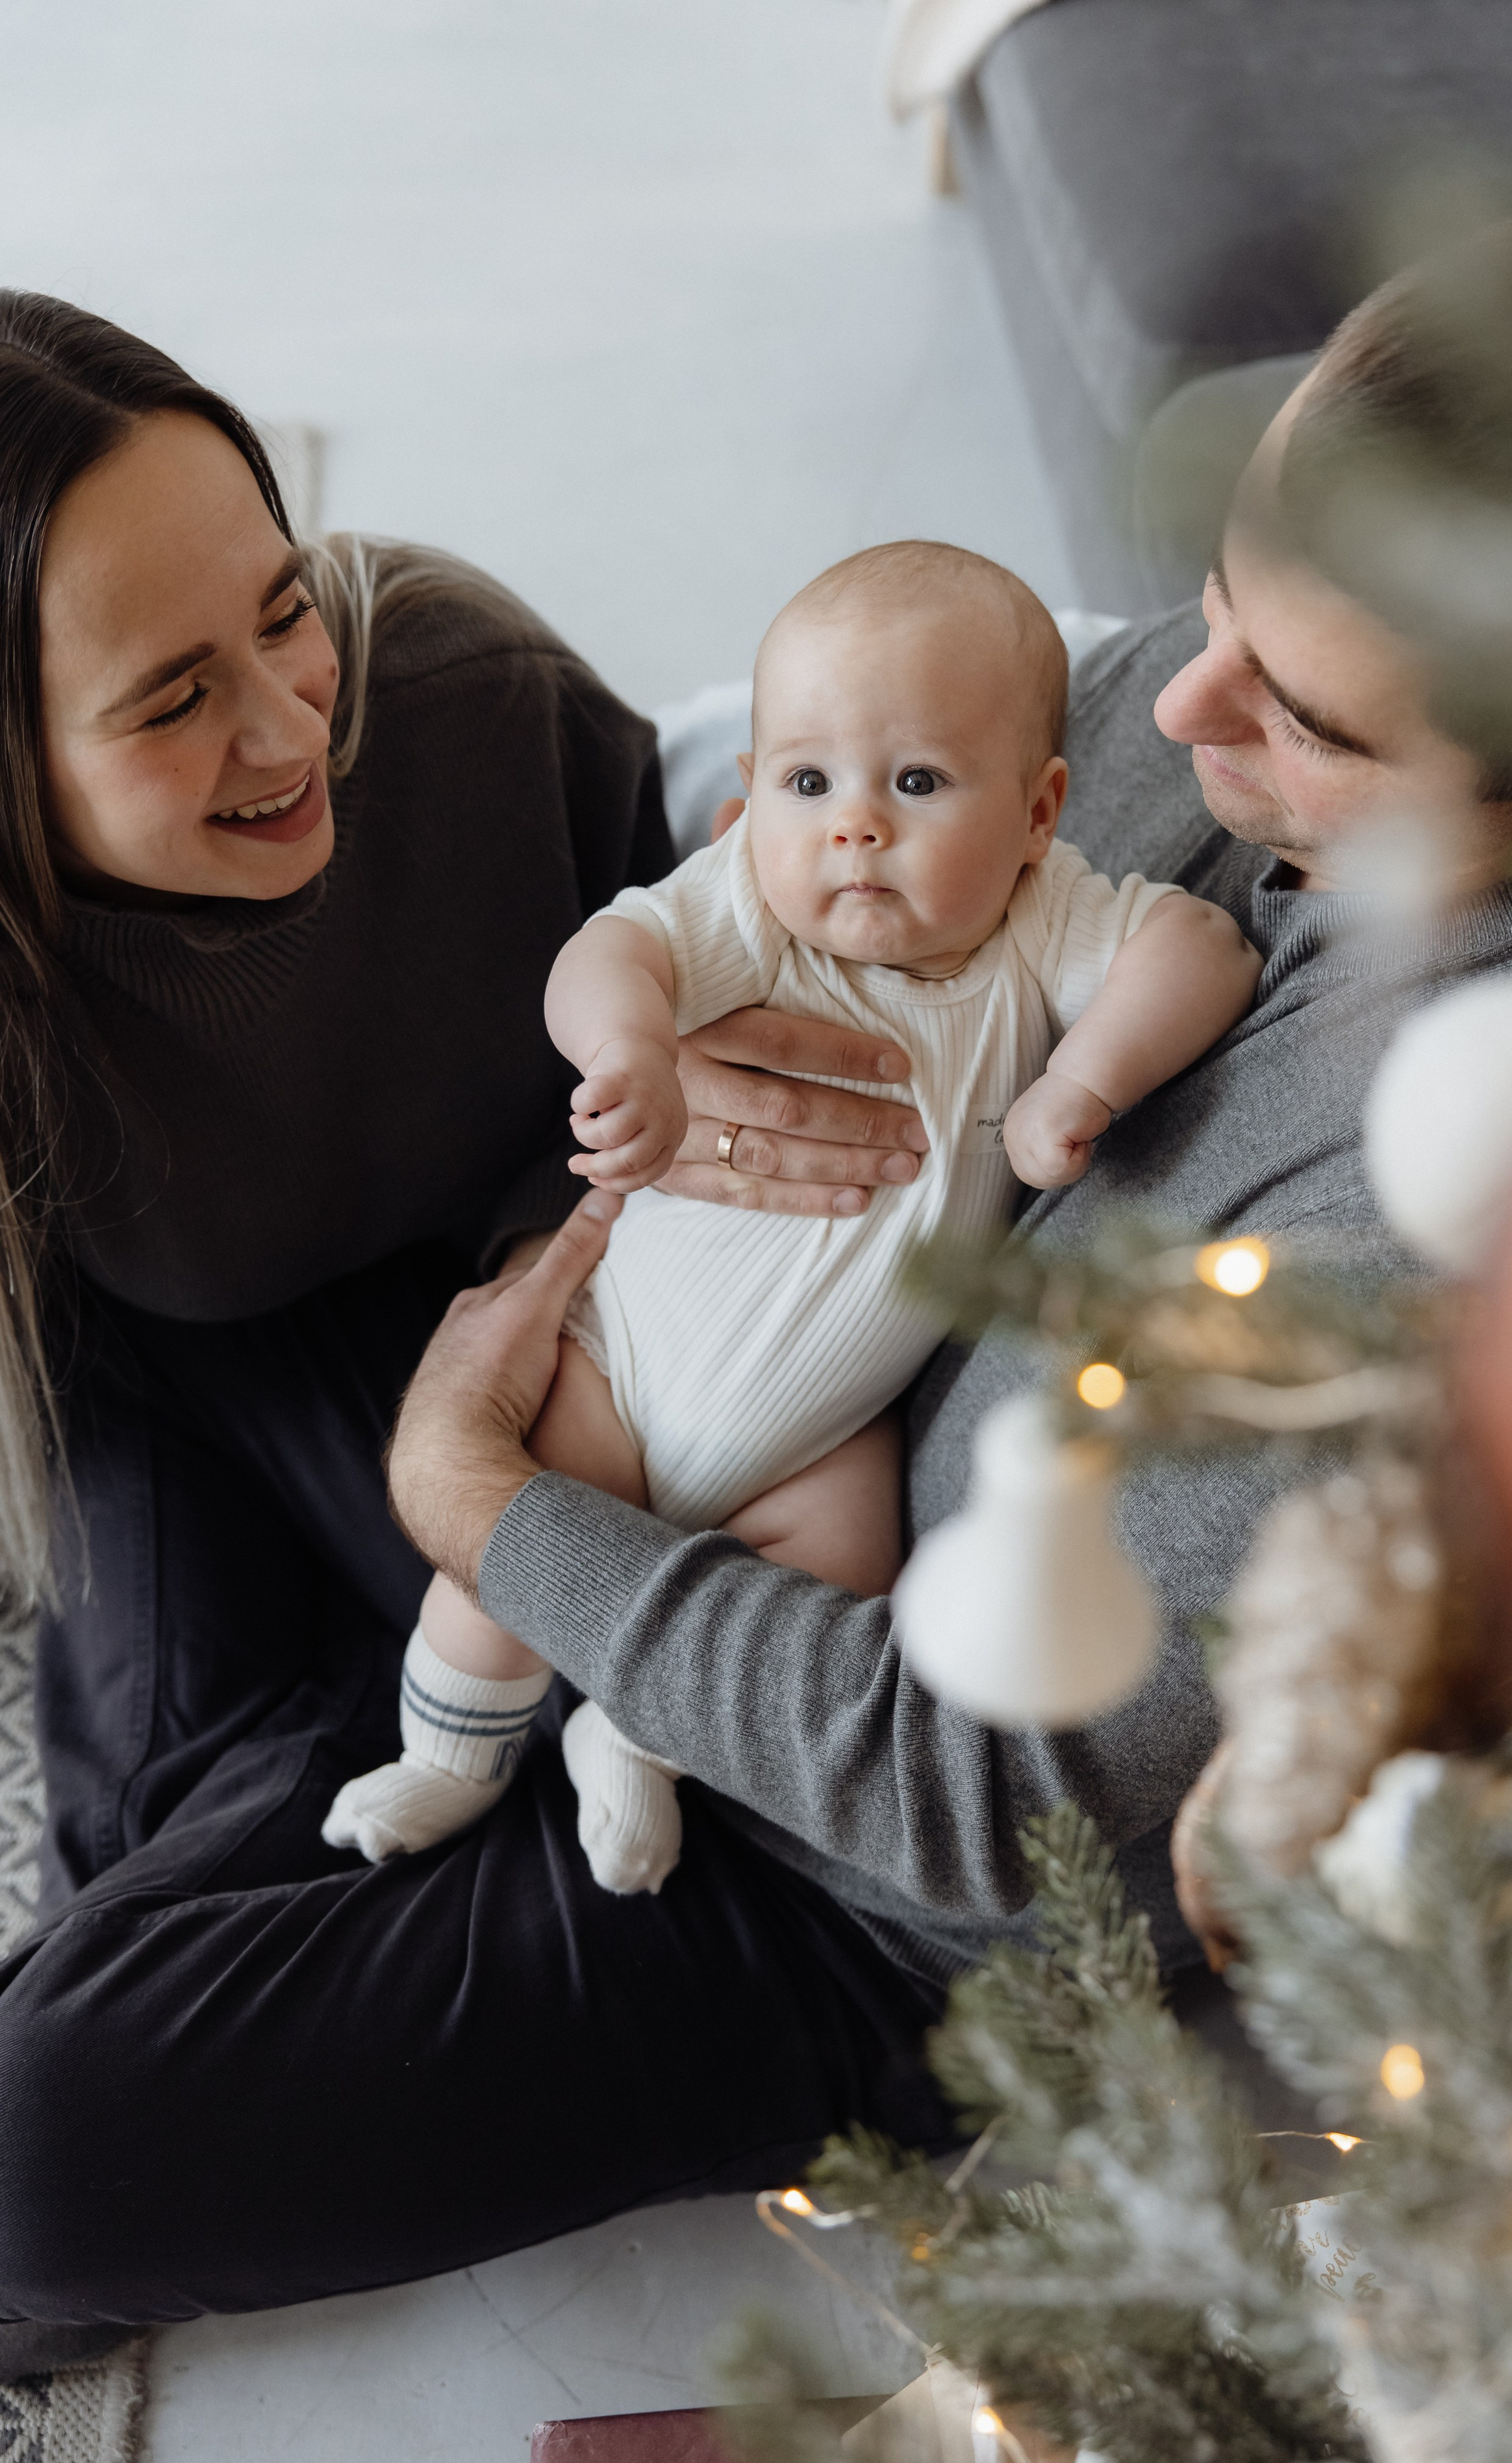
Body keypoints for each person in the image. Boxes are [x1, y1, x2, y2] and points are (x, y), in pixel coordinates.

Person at [3, 205, 1512, 2367]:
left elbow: (977, 1806)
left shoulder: (1502, 1200)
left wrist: (486, 1498)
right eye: (1222, 595)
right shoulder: (1257, 719)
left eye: (1301, 709)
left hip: (831, 1862)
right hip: (671, 1388)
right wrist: (664, 1088)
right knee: (139, 1217)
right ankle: (309, 1785)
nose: (1176, 697)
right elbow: (804, 835)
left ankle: (325, 1770)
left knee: (38, 2160)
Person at [323, 543, 1259, 1889]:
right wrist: (629, 1052)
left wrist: (1082, 1076)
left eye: (917, 783)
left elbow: (1202, 950)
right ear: (751, 795)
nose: (853, 827)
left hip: (823, 1431)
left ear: (1038, 811)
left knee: (839, 1587)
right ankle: (447, 1761)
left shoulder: (1037, 925)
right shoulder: (754, 912)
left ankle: (640, 1741)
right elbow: (610, 951)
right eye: (804, 780)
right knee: (499, 1563)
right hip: (622, 1364)